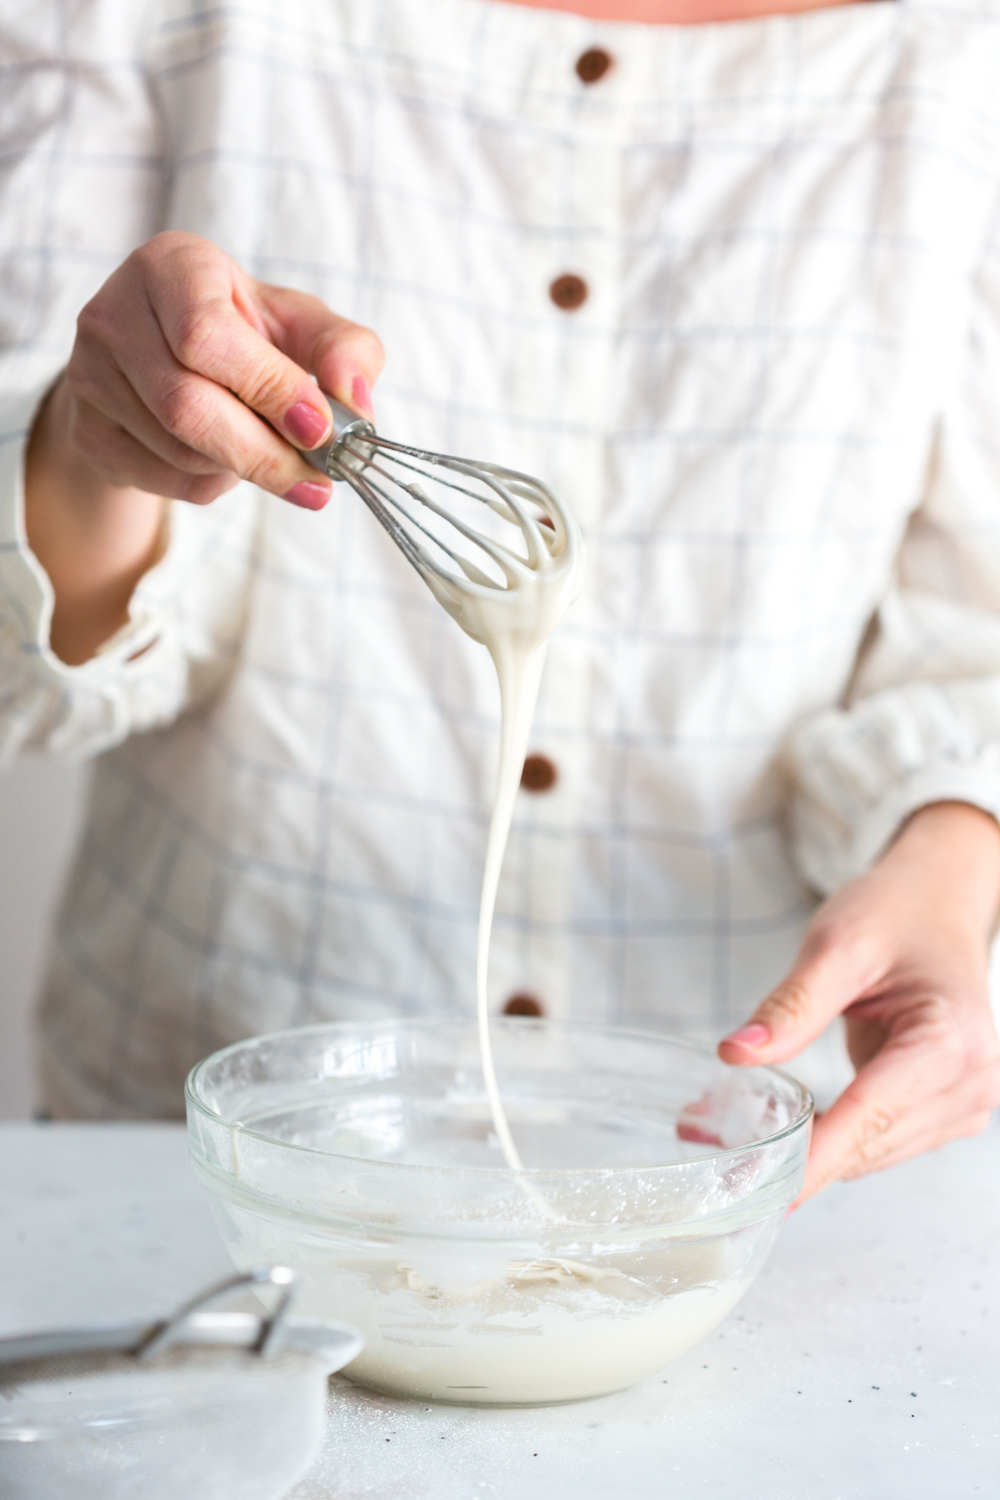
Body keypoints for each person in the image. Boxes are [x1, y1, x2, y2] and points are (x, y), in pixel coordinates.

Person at [2, 0, 999, 1201]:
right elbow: (41, 661)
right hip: (200, 1174)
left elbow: (969, 637)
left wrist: (949, 876)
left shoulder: (962, 64)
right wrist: (93, 438)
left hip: (750, 1186)